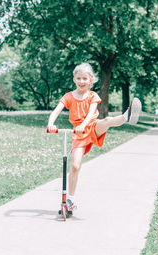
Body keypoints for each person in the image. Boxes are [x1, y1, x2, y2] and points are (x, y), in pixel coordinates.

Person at [47, 63, 141, 211]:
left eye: (85, 78)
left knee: (106, 121)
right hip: (78, 134)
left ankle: (126, 115)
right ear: (74, 79)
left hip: (91, 126)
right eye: (78, 78)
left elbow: (91, 113)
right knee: (75, 166)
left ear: (91, 80)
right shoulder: (68, 97)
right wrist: (51, 123)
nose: (82, 81)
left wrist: (84, 125)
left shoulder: (92, 96)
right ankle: (70, 200)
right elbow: (56, 111)